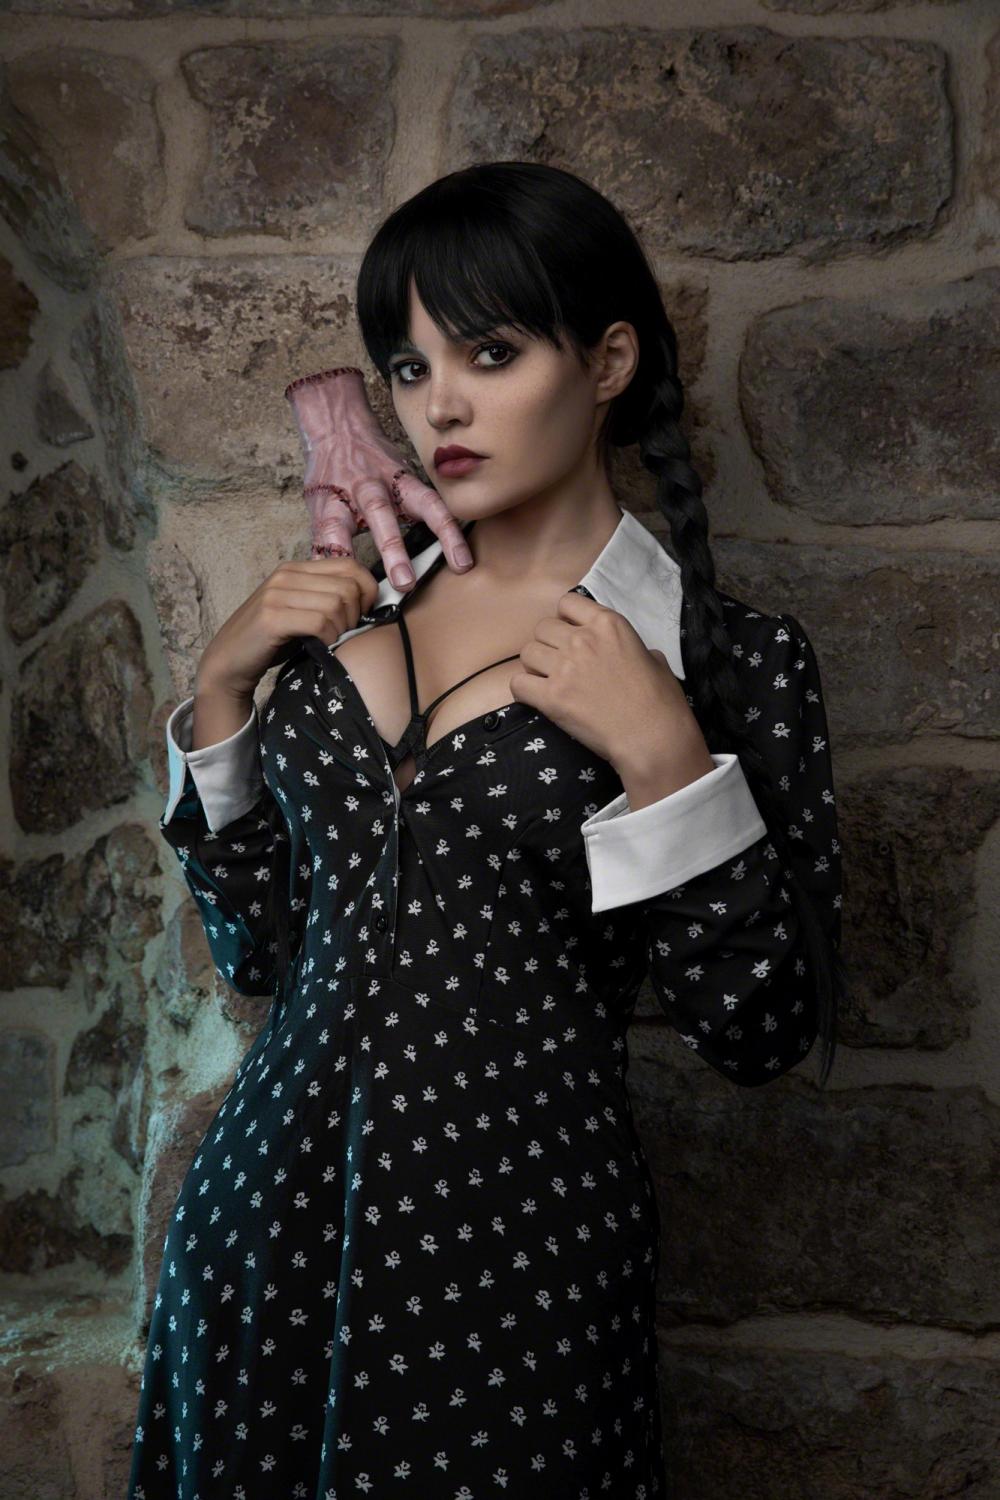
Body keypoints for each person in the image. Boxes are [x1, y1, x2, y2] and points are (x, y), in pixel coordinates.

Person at [126, 160, 849, 1499]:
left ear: (608, 360)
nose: (440, 406)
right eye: (409, 368)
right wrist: (221, 692)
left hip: (513, 1268)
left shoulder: (724, 661)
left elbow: (759, 1032)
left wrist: (664, 756)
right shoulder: (348, 625)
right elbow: (264, 955)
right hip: (260, 1236)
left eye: (492, 353)